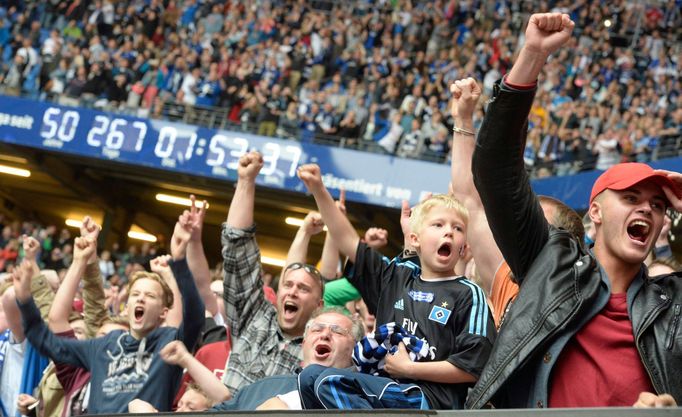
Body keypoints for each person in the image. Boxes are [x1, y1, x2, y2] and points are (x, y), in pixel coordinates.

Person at [466, 13, 681, 409]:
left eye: (658, 205)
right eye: (631, 199)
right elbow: (495, 169)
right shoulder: (551, 264)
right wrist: (531, 54)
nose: (648, 211)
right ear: (595, 212)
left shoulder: (674, 304)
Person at [296, 164, 495, 409]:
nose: (449, 233)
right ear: (415, 239)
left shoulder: (469, 293)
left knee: (324, 380)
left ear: (464, 246)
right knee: (308, 379)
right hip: (381, 388)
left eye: (458, 228)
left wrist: (409, 368)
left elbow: (473, 367)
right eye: (438, 225)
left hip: (428, 401)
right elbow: (347, 240)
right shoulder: (397, 276)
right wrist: (318, 188)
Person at [13, 215, 204, 413]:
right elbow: (45, 340)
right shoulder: (102, 345)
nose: (140, 299)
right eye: (135, 294)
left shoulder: (169, 343)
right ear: (127, 307)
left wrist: (180, 262)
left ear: (163, 313)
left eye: (149, 296)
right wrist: (25, 301)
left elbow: (195, 318)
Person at [448, 77, 584, 328]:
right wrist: (463, 119)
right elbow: (469, 197)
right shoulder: (506, 280)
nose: (520, 224)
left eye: (534, 221)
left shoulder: (584, 301)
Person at [220, 151, 325, 394]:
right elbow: (238, 249)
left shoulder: (321, 347)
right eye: (288, 285)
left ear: (318, 305)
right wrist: (246, 181)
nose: (293, 292)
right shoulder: (252, 317)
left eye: (303, 288)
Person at [210, 308, 363, 411]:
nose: (324, 335)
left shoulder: (364, 396)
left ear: (356, 349)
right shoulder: (260, 388)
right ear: (304, 344)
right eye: (317, 329)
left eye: (337, 331)